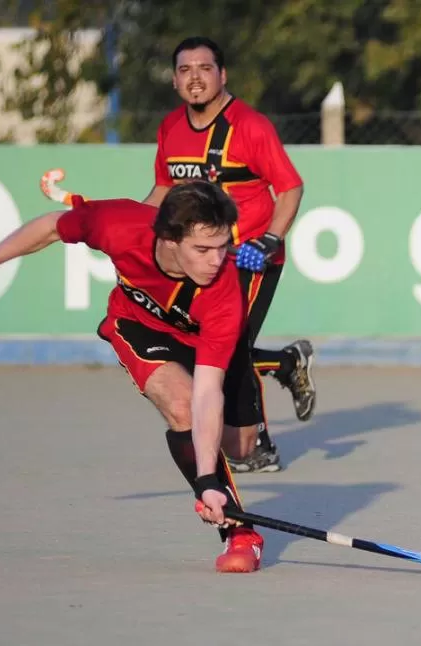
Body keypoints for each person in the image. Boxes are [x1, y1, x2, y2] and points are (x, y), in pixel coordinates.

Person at [0, 181, 268, 573]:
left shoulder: (224, 293)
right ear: (168, 238)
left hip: (208, 343)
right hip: (138, 326)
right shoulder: (119, 225)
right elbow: (51, 225)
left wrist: (208, 471)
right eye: (202, 249)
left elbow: (208, 392)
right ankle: (240, 533)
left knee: (240, 446)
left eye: (223, 246)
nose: (217, 261)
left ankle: (269, 374)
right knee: (181, 407)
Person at [142, 35, 317, 473]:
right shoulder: (170, 129)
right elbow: (164, 189)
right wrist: (132, 230)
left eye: (204, 68)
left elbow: (290, 187)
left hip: (249, 257)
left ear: (222, 75)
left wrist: (270, 239)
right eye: (185, 70)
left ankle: (259, 447)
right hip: (201, 259)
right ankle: (286, 362)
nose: (195, 77)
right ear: (174, 80)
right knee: (201, 344)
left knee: (230, 347)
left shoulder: (251, 126)